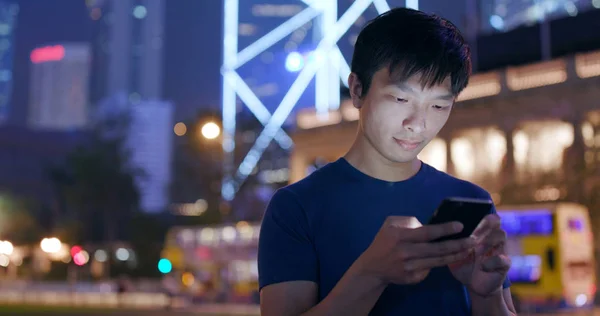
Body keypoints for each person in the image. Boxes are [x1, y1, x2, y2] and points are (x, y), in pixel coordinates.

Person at [258, 7, 516, 316]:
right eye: (400, 99)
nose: (418, 123)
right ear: (357, 90)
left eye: (438, 105)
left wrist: (487, 296)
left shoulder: (473, 201)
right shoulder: (295, 208)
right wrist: (372, 274)